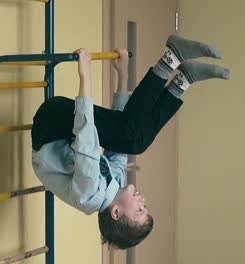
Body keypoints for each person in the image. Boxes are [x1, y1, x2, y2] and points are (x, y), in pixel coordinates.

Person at [31, 34, 230, 249]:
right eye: (145, 207)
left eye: (139, 209)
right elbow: (119, 134)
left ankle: (172, 58)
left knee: (133, 140)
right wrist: (122, 75)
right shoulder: (114, 184)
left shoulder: (88, 193)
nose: (142, 200)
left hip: (50, 125)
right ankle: (182, 81)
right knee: (135, 140)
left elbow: (86, 136)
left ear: (116, 212)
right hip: (64, 130)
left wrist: (85, 75)